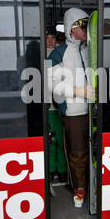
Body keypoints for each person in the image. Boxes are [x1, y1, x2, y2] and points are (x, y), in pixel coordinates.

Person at [47, 8, 94, 208]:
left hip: (93, 110)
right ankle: (79, 187)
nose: (86, 29)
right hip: (74, 113)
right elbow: (52, 85)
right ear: (71, 29)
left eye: (87, 25)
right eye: (82, 25)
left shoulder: (90, 49)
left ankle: (93, 185)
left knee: (95, 150)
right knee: (78, 153)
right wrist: (78, 91)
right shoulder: (59, 53)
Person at [45, 25, 67, 185]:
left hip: (61, 105)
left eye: (53, 38)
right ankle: (51, 170)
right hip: (48, 107)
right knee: (50, 141)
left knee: (61, 140)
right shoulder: (37, 58)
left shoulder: (62, 55)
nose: (51, 41)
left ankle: (63, 170)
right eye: (48, 38)